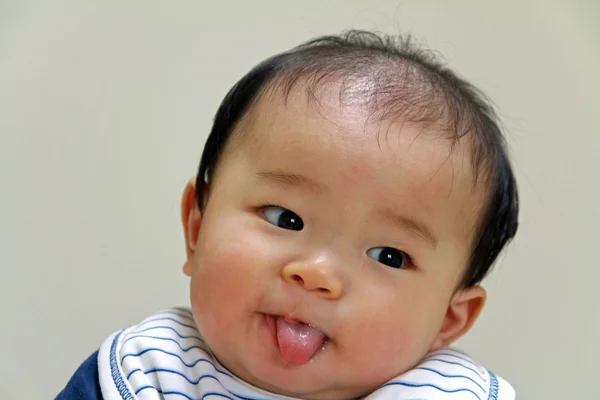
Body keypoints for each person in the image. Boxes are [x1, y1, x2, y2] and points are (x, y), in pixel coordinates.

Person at [57, 30, 519, 400]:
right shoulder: (144, 374)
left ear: (449, 319)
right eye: (285, 219)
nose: (318, 274)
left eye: (389, 255)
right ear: (196, 230)